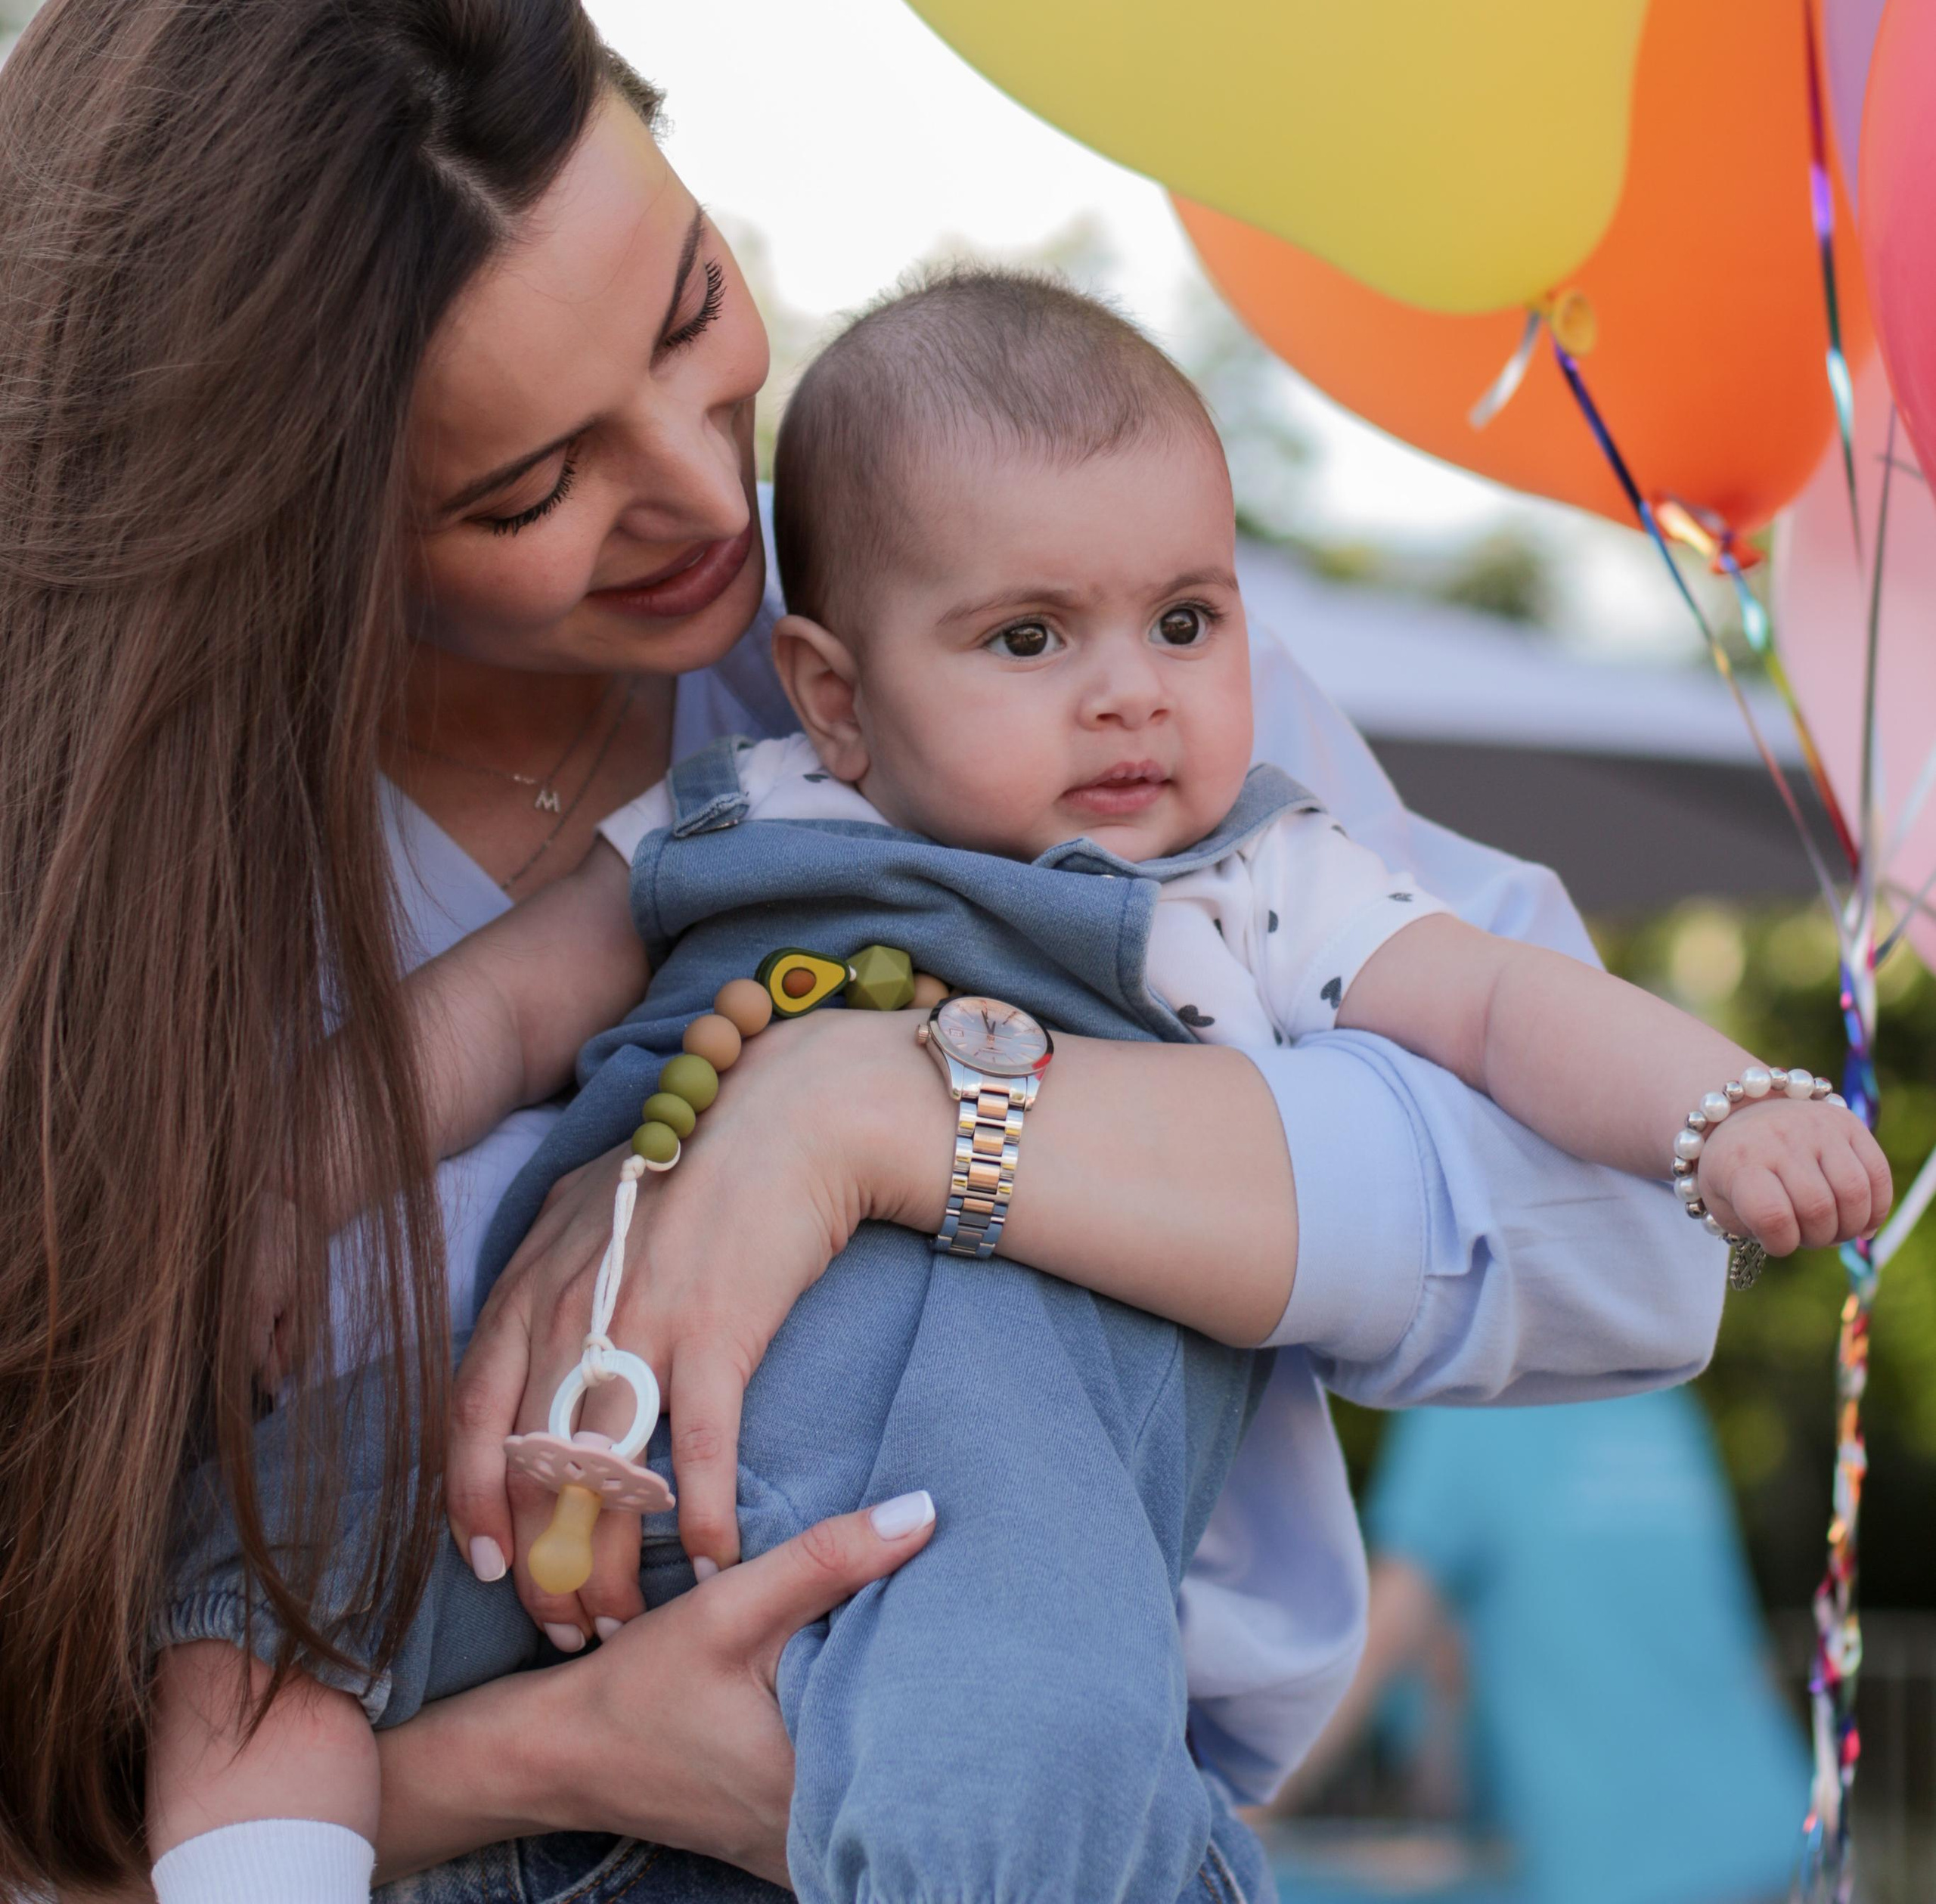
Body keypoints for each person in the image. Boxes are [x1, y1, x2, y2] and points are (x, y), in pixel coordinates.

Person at [0, 0, 1726, 1904]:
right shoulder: (112, 925)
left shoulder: (1012, 651)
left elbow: (1634, 1238)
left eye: (684, 310)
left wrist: (892, 1117)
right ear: (285, 535)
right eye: (528, 486)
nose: (688, 483)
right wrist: (522, 1768)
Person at [145, 271, 1886, 1904]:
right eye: (1030, 637)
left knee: (1013, 1612)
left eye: (1186, 617)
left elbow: (1506, 1010)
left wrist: (1717, 1105)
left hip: (942, 1466)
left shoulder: (1249, 875)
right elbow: (493, 1011)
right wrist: (283, 1197)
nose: (1132, 688)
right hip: (545, 1486)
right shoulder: (745, 813)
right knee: (275, 1542)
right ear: (832, 694)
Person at [1270, 1394, 1810, 1904]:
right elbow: (1743, 1650)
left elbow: (1380, 1637)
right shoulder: (1664, 1397)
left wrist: (1246, 1803)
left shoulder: (1472, 1402)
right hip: (1778, 1839)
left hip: (1619, 1869)